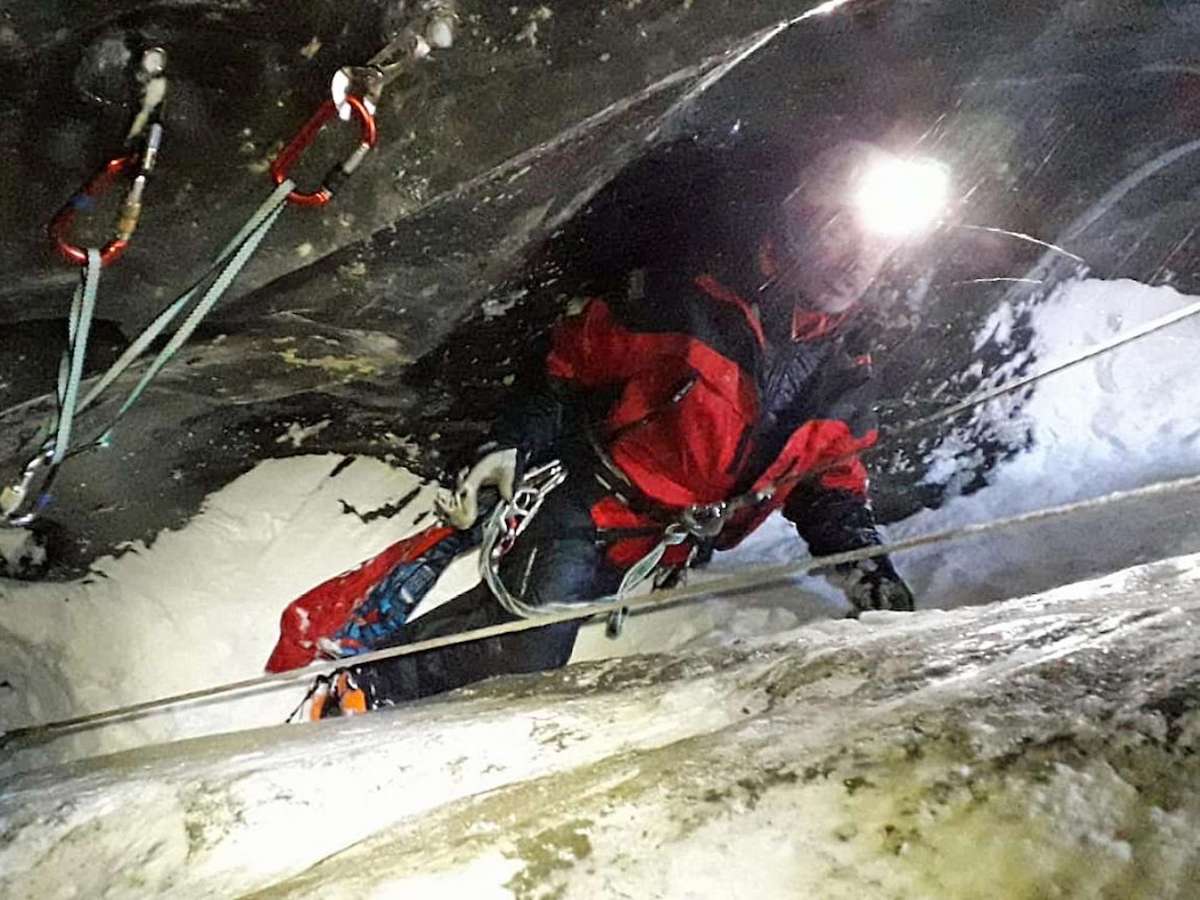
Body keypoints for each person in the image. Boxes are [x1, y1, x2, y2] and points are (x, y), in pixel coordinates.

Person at [315, 137, 933, 715]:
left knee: (510, 627)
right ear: (799, 220)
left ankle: (368, 681)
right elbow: (566, 364)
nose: (858, 265)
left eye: (877, 250)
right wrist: (512, 442)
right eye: (840, 236)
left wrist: (870, 570)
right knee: (527, 651)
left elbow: (830, 488)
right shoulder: (690, 301)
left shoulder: (845, 373)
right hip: (585, 505)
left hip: (663, 543)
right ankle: (365, 694)